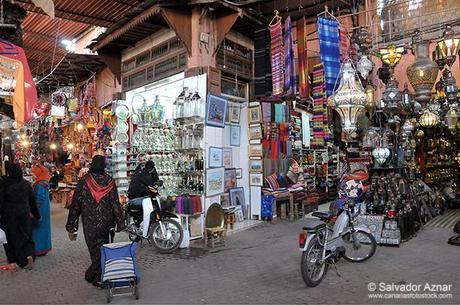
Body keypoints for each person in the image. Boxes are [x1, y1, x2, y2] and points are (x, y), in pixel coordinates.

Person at [65, 155, 125, 287]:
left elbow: (76, 204)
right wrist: (120, 223)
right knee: (104, 248)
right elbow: (115, 204)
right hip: (106, 222)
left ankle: (97, 276)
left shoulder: (84, 181)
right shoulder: (109, 181)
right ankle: (100, 274)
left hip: (90, 222)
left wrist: (71, 224)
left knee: (94, 250)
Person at [0, 163, 40, 270]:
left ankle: (14, 260)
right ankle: (29, 256)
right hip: (24, 214)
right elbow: (32, 202)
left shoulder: (4, 184)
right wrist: (37, 215)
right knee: (26, 236)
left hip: (8, 216)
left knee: (11, 239)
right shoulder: (26, 184)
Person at [127, 161, 159, 238]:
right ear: (152, 169)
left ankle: (142, 224)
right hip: (136, 199)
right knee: (151, 204)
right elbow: (152, 185)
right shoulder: (146, 175)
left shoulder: (140, 172)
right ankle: (143, 225)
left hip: (133, 197)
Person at [31, 162, 52, 256]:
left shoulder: (40, 184)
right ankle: (44, 248)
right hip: (44, 209)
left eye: (34, 172)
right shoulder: (43, 182)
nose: (33, 174)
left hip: (40, 210)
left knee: (38, 229)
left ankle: (39, 249)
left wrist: (34, 211)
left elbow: (39, 198)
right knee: (43, 228)